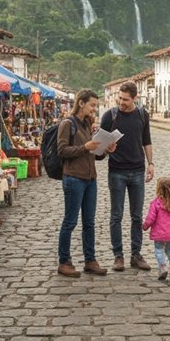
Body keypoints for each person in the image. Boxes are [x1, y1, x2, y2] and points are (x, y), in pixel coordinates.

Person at [99, 81, 154, 272]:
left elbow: (146, 140)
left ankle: (136, 255)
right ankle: (118, 256)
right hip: (117, 172)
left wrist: (151, 164)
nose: (121, 102)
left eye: (125, 99)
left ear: (134, 98)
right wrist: (107, 148)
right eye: (119, 98)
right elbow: (99, 148)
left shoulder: (142, 115)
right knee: (116, 215)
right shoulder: (110, 116)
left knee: (137, 216)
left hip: (138, 170)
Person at [56, 89, 108, 278]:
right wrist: (84, 147)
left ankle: (90, 260)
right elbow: (62, 151)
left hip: (90, 179)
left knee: (90, 222)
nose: (94, 109)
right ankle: (64, 261)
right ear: (81, 103)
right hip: (73, 178)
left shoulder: (87, 124)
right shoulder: (67, 124)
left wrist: (104, 149)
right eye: (92, 105)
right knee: (70, 222)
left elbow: (94, 155)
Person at [143, 177, 170, 281]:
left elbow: (151, 218)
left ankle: (162, 267)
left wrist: (145, 226)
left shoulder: (156, 203)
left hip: (159, 233)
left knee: (159, 250)